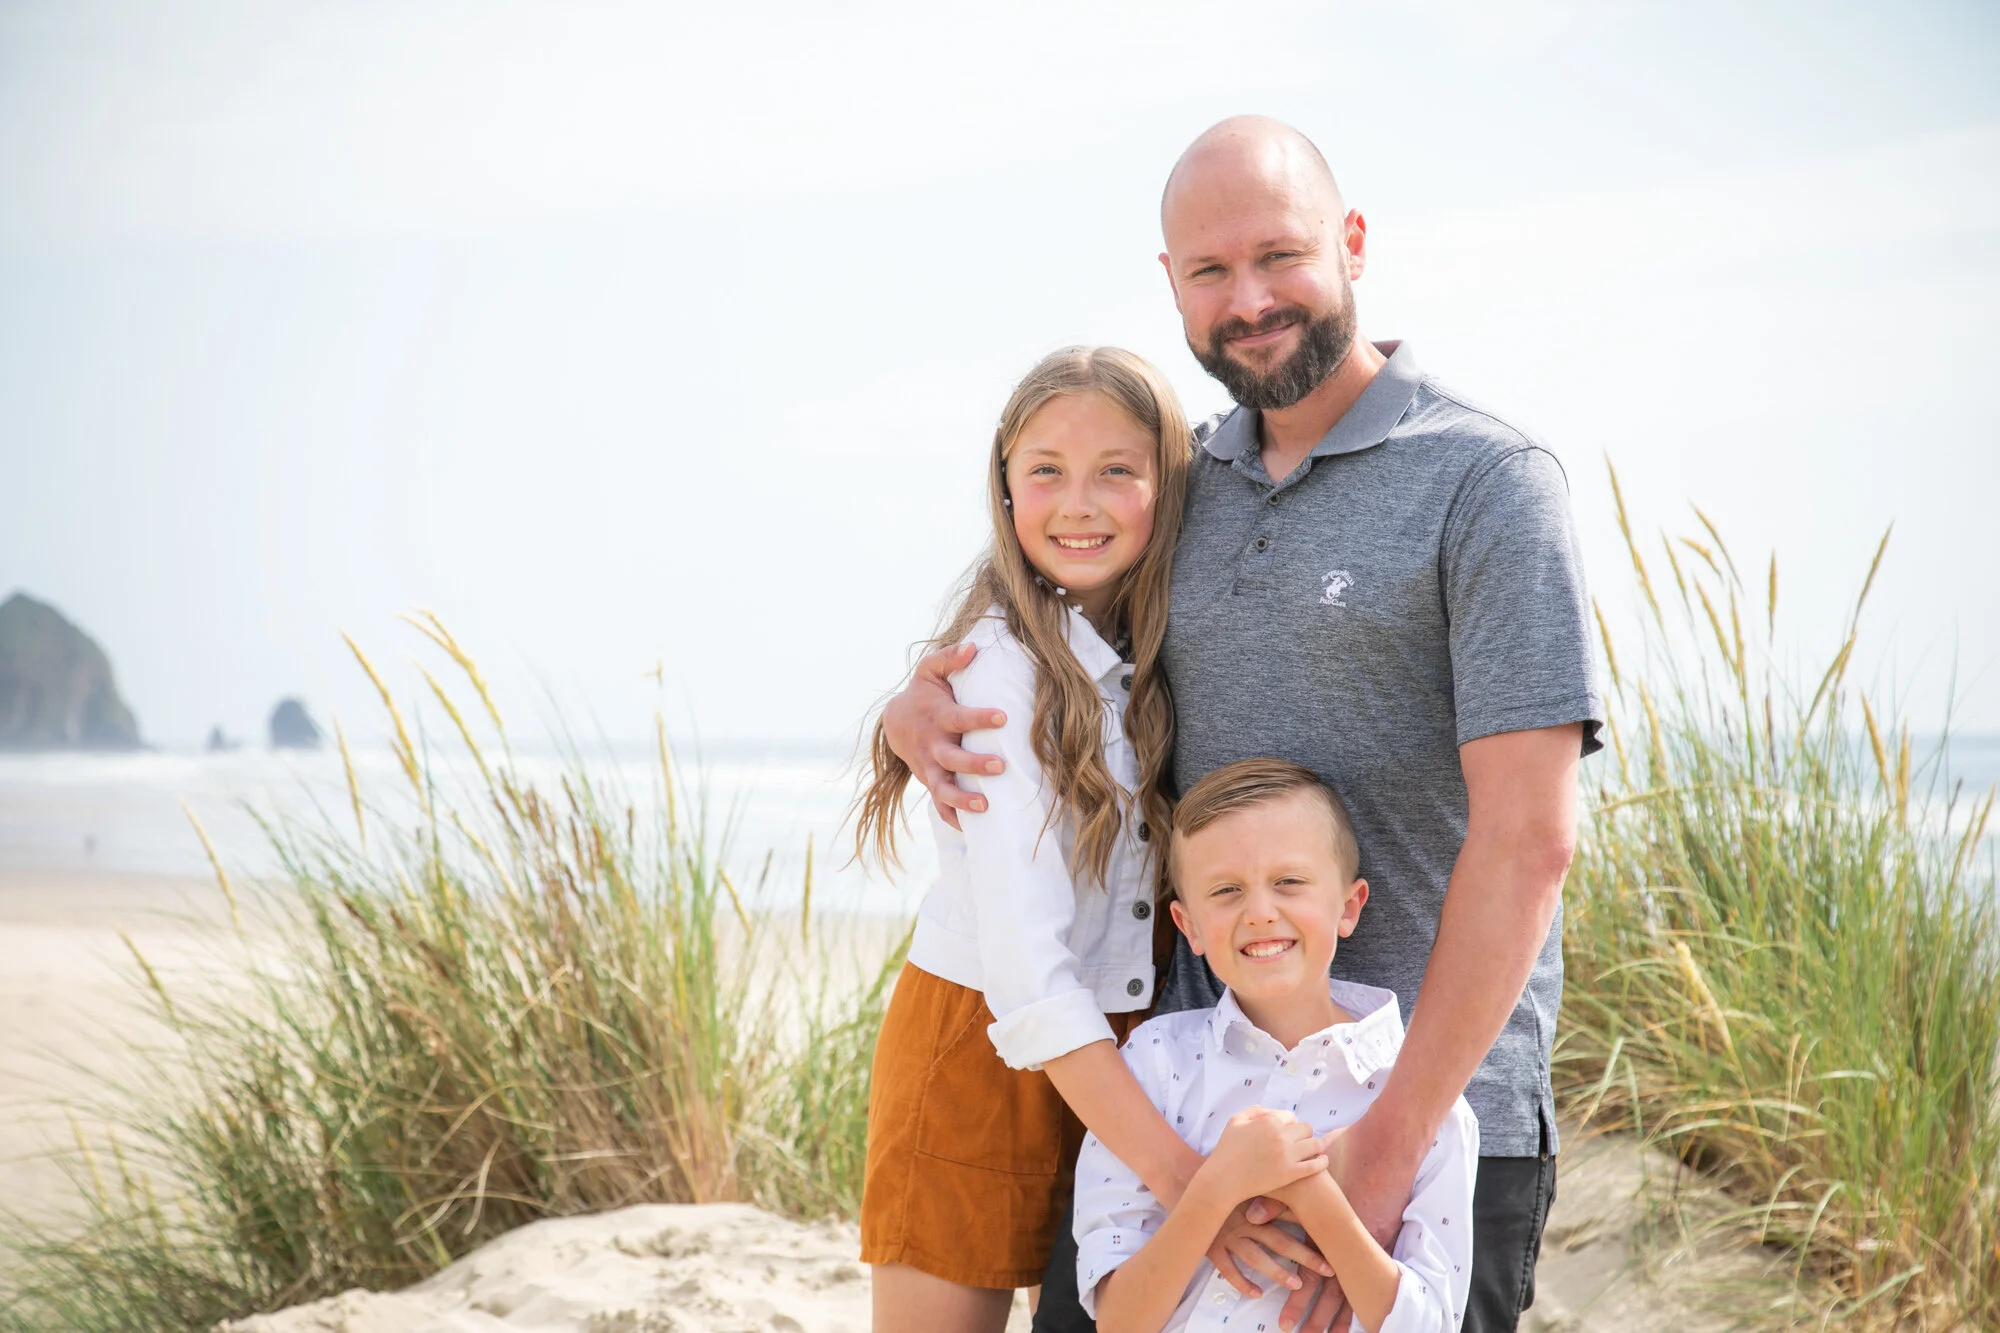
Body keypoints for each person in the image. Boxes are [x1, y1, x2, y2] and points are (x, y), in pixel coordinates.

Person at [881, 116, 1599, 1333]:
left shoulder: (1484, 484)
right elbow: (1033, 612)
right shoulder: (1176, 481)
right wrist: (915, 701)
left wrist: (1383, 1141)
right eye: (1210, 272)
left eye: (1279, 257)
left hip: (1419, 1118)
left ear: (1353, 242)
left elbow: (1528, 841)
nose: (1250, 300)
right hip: (1189, 1098)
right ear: (1171, 286)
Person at [852, 346, 1332, 1333]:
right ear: (1002, 483)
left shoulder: (1158, 641)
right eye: (1045, 471)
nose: (1080, 503)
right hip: (983, 1049)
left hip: (1126, 1052)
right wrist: (1190, 1183)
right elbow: (1028, 975)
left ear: (1168, 479)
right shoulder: (990, 674)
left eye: (1116, 469)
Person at [1078, 758, 1476, 1333]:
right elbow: (1117, 1321)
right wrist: (1214, 1189)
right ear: (1187, 926)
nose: (1260, 912)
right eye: (1226, 890)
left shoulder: (1424, 1100)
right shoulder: (1151, 1064)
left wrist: (1311, 1192)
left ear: (1348, 906)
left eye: (1289, 882)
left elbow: (1430, 1324)